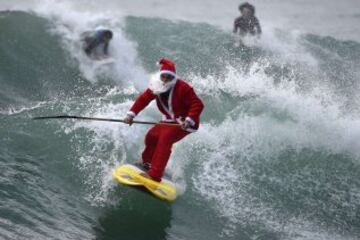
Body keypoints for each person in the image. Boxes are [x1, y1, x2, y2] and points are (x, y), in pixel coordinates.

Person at [123, 58, 204, 182]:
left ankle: (155, 175)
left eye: (169, 78)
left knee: (165, 139)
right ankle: (147, 163)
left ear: (174, 77)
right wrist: (131, 115)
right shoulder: (157, 86)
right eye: (163, 77)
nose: (165, 80)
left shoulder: (183, 87)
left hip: (184, 123)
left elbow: (198, 104)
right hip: (168, 121)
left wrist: (188, 120)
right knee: (151, 136)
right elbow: (143, 99)